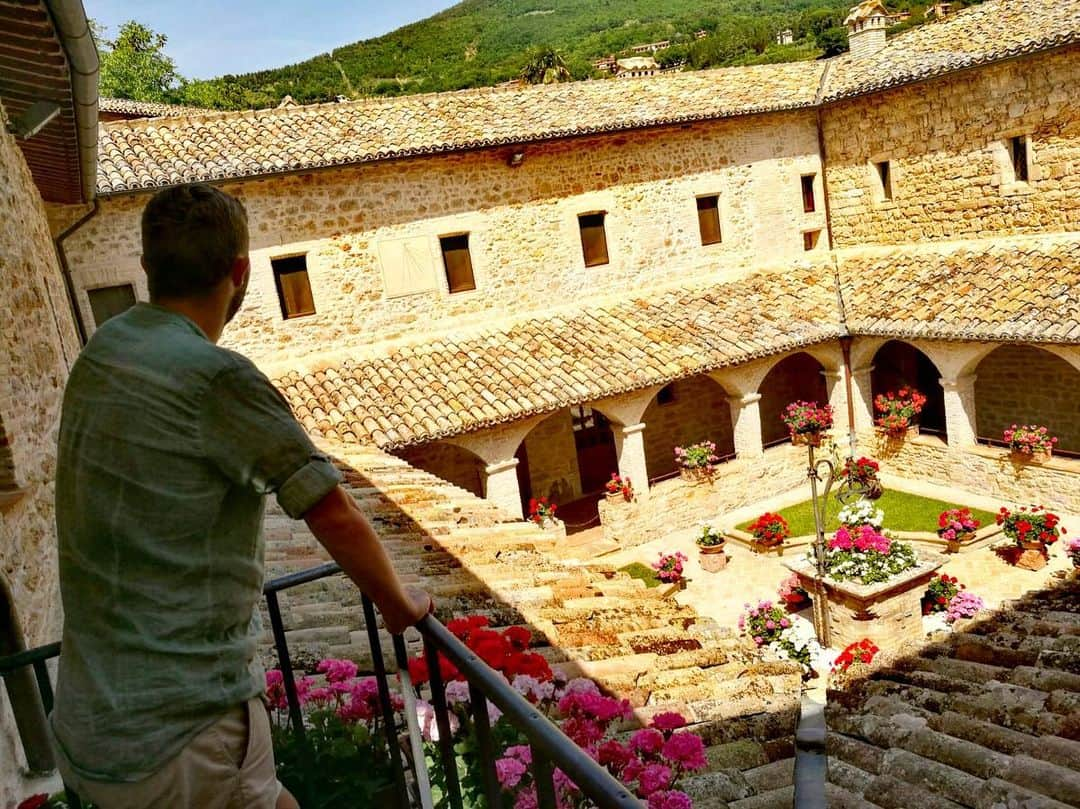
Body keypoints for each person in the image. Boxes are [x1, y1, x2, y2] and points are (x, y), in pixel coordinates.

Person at [50, 183, 432, 808]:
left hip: (93, 717)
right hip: (181, 727)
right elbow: (329, 508)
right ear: (242, 272)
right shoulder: (216, 378)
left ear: (146, 267)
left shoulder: (104, 350)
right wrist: (396, 603)